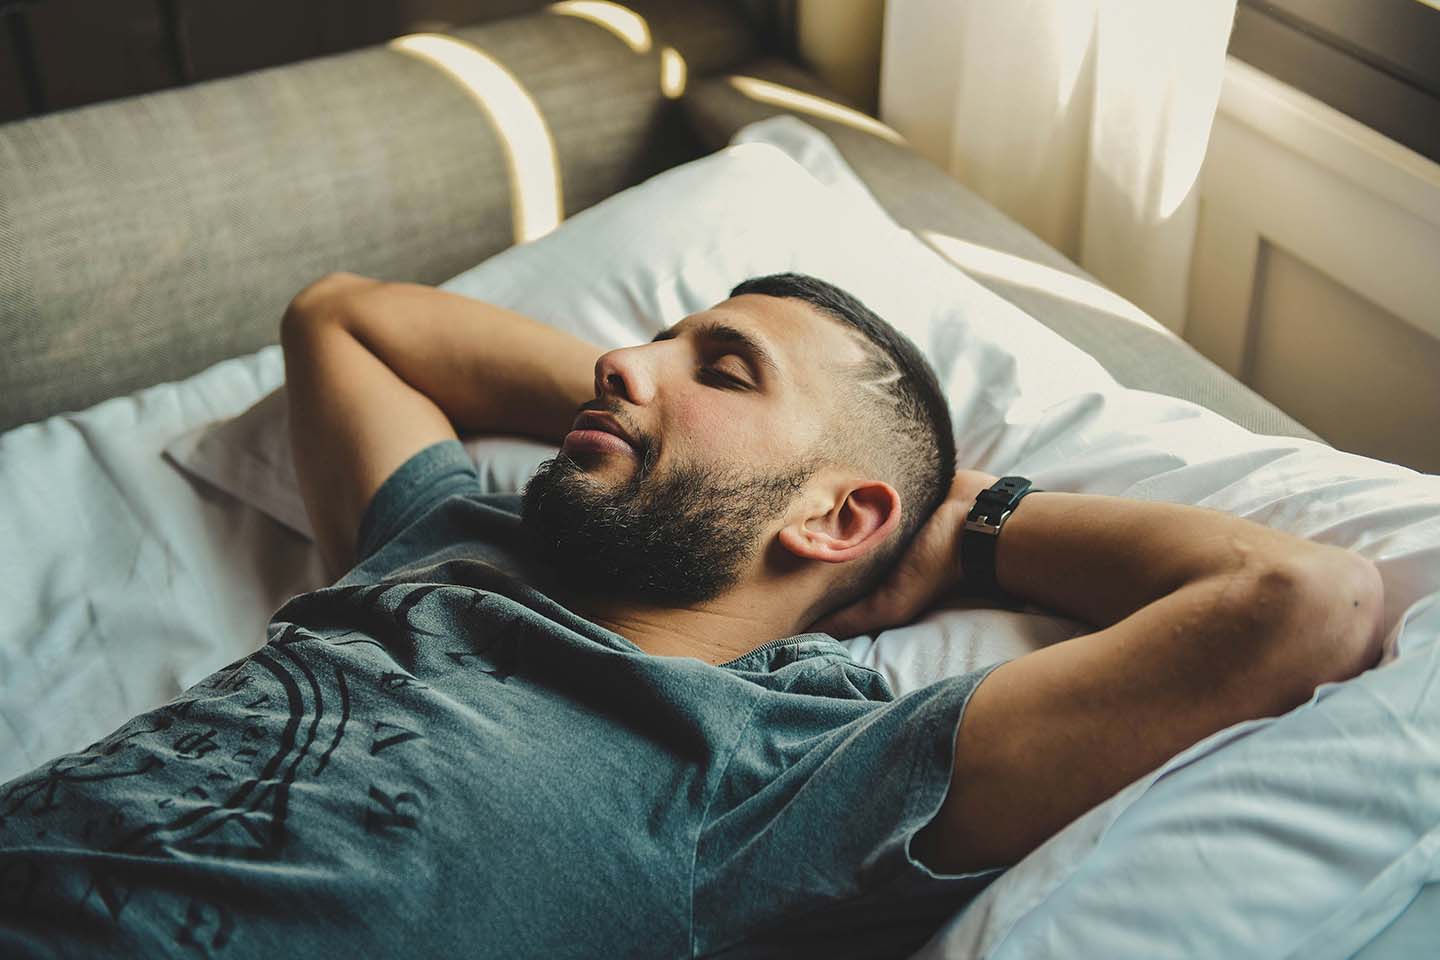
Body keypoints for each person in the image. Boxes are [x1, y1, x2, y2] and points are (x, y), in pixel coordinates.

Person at [0, 271, 1383, 958]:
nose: (620, 358)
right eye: (651, 340)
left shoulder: (796, 771)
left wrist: (970, 524)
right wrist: (640, 411)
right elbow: (344, 318)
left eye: (720, 364)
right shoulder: (445, 540)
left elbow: (1303, 598)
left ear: (838, 520)